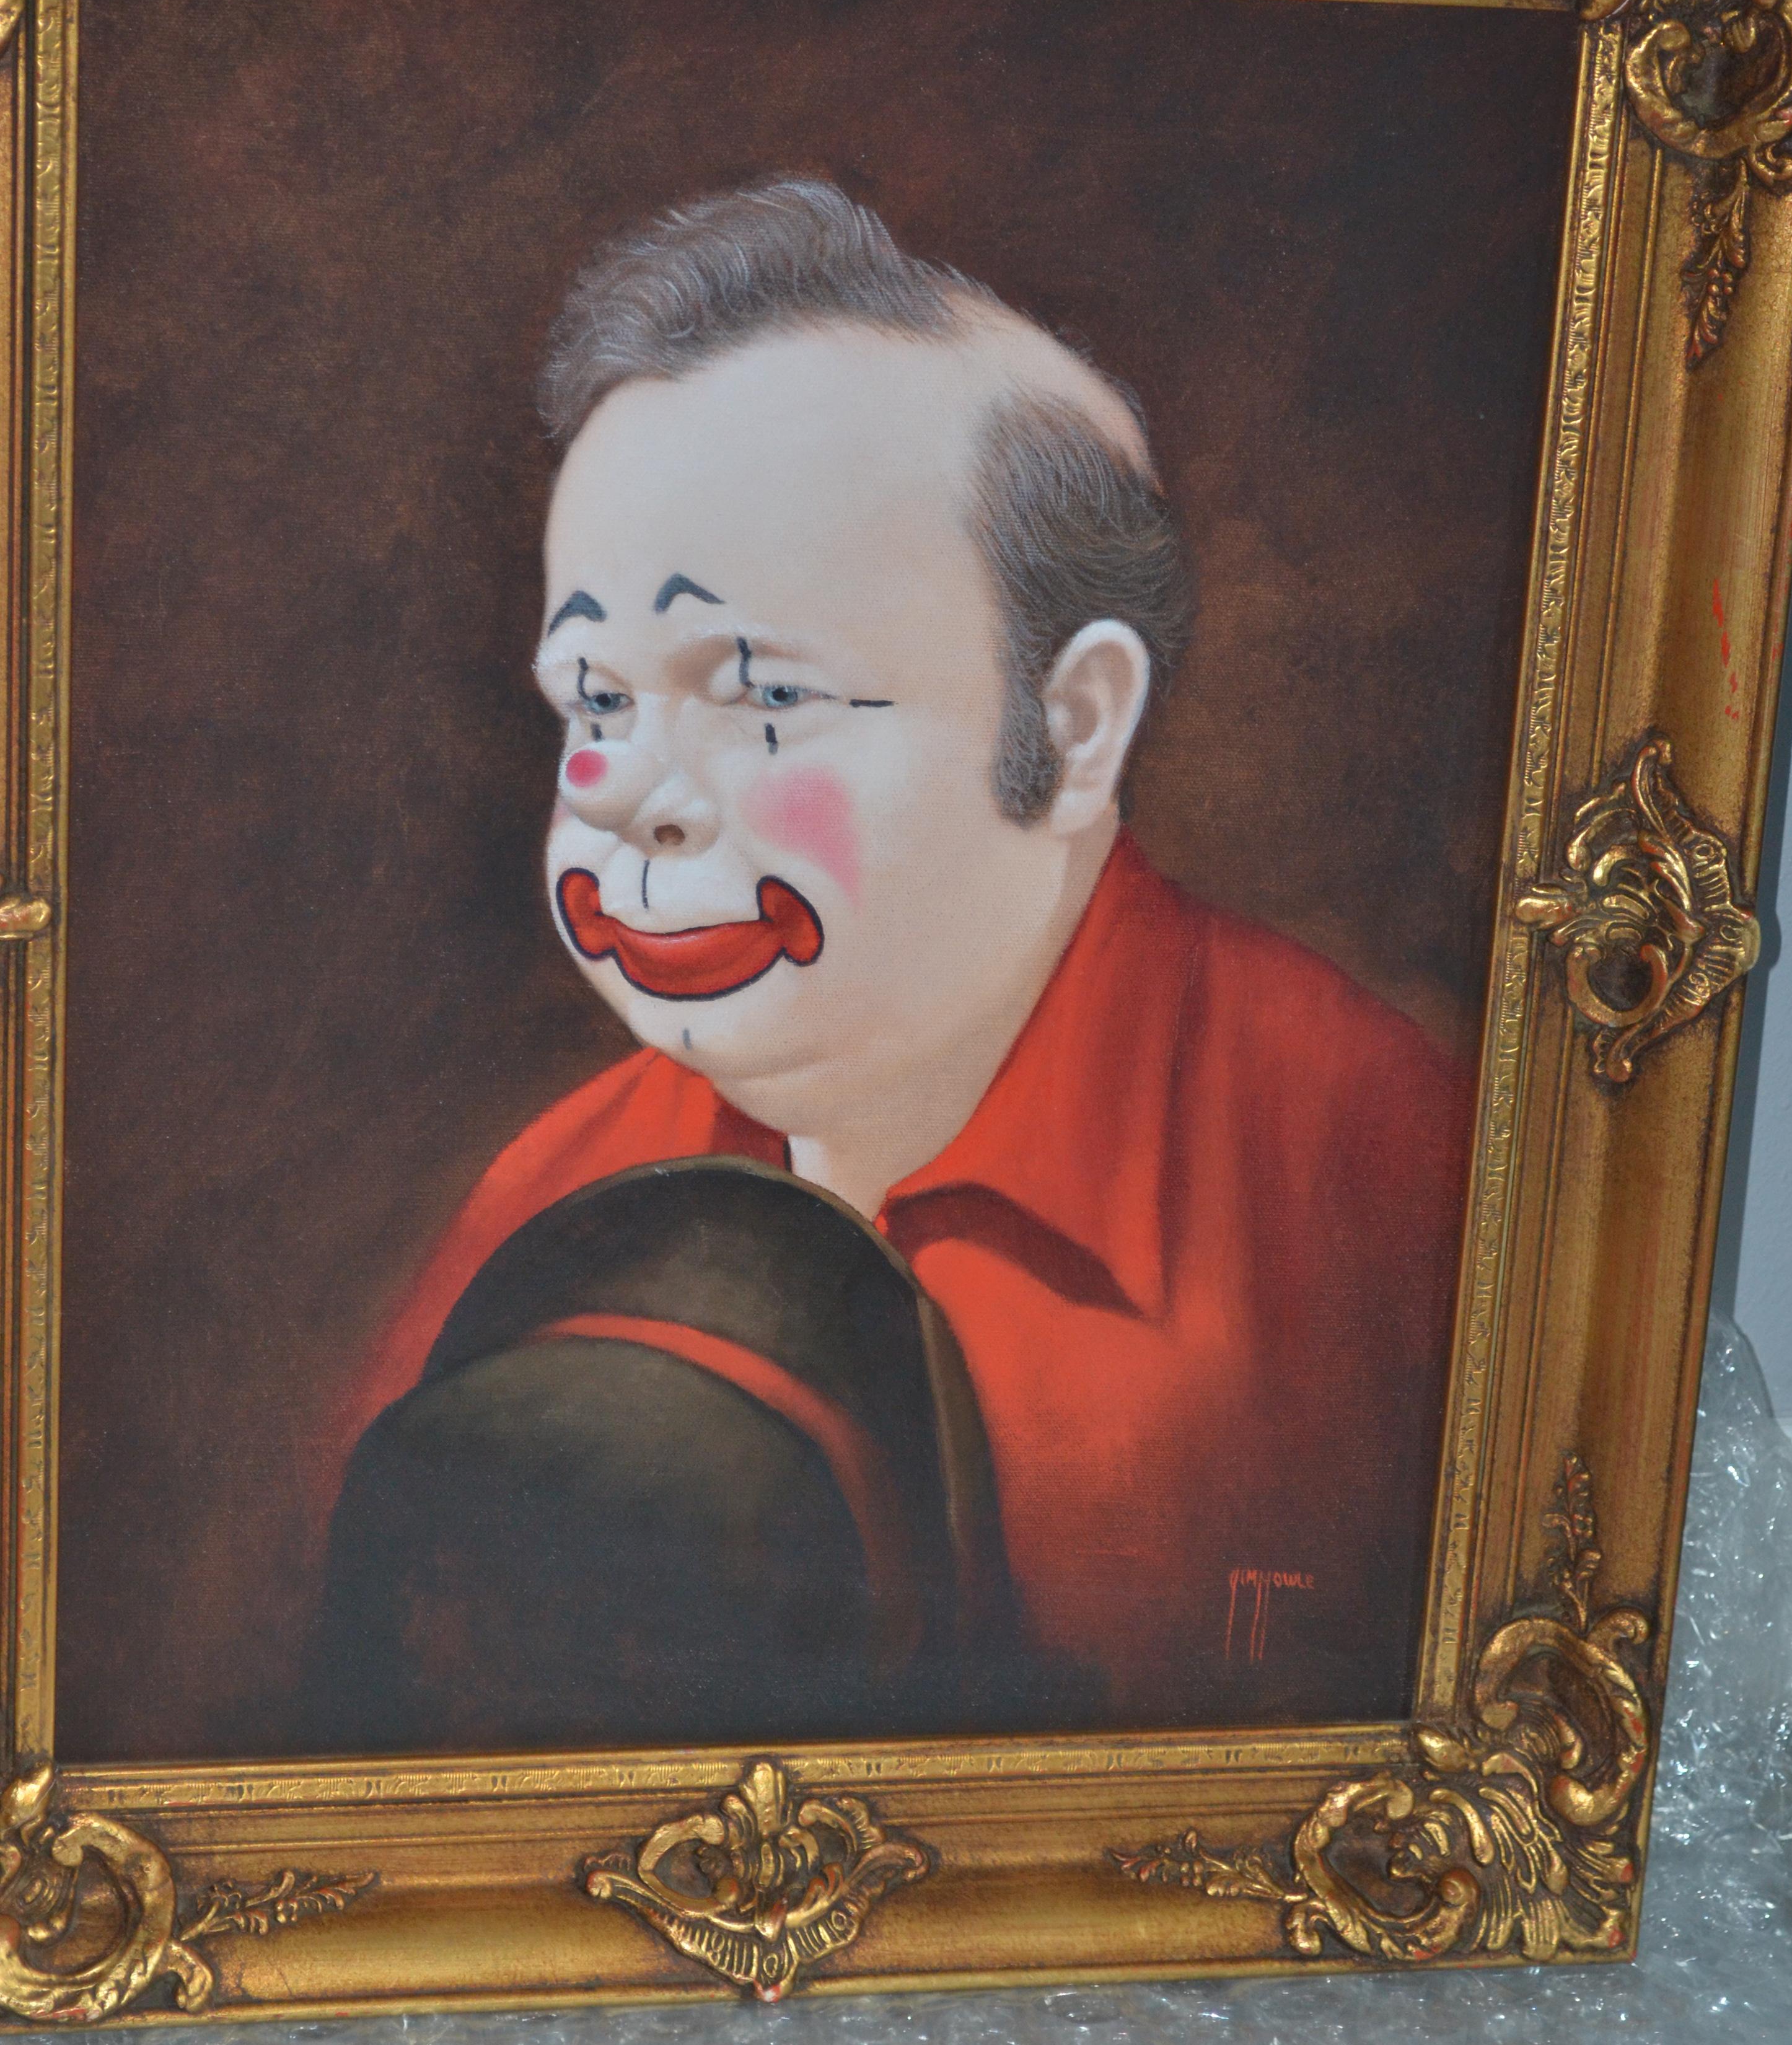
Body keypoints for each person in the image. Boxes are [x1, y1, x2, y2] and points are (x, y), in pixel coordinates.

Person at [330, 177, 1469, 1732]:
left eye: (762, 696)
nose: (631, 796)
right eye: (597, 700)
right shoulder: (546, 1205)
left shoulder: (1379, 1180)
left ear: (1072, 727)